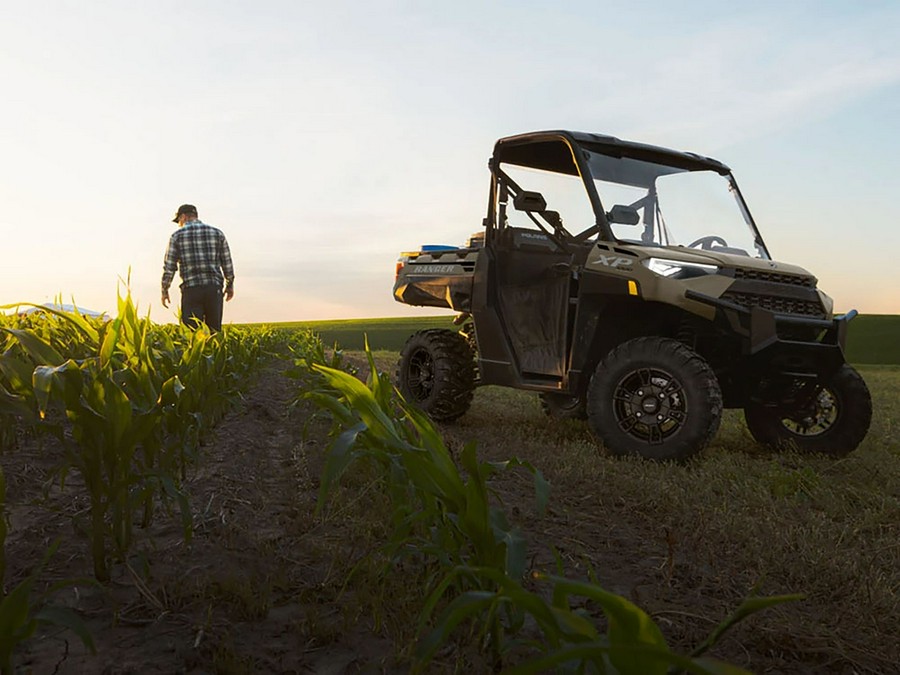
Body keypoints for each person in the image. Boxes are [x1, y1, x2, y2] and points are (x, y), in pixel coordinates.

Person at [161, 204, 235, 331]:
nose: (179, 224)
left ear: (183, 217)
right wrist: (229, 285)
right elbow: (227, 263)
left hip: (191, 290)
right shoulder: (217, 233)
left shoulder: (176, 236)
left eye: (178, 221)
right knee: (214, 332)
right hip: (214, 289)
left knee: (192, 334)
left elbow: (169, 267)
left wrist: (164, 290)